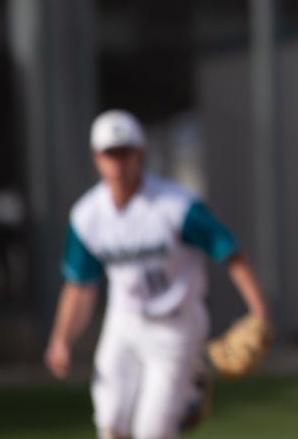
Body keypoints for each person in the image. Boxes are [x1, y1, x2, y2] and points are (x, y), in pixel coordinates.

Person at [44, 109, 269, 439]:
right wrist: (61, 338)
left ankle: (189, 386)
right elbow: (80, 285)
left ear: (141, 155)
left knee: (151, 433)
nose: (118, 163)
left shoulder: (176, 207)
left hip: (176, 325)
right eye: (110, 154)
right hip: (124, 320)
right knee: (111, 424)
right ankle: (190, 390)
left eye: (125, 153)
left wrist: (260, 313)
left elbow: (230, 252)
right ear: (97, 158)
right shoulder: (87, 217)